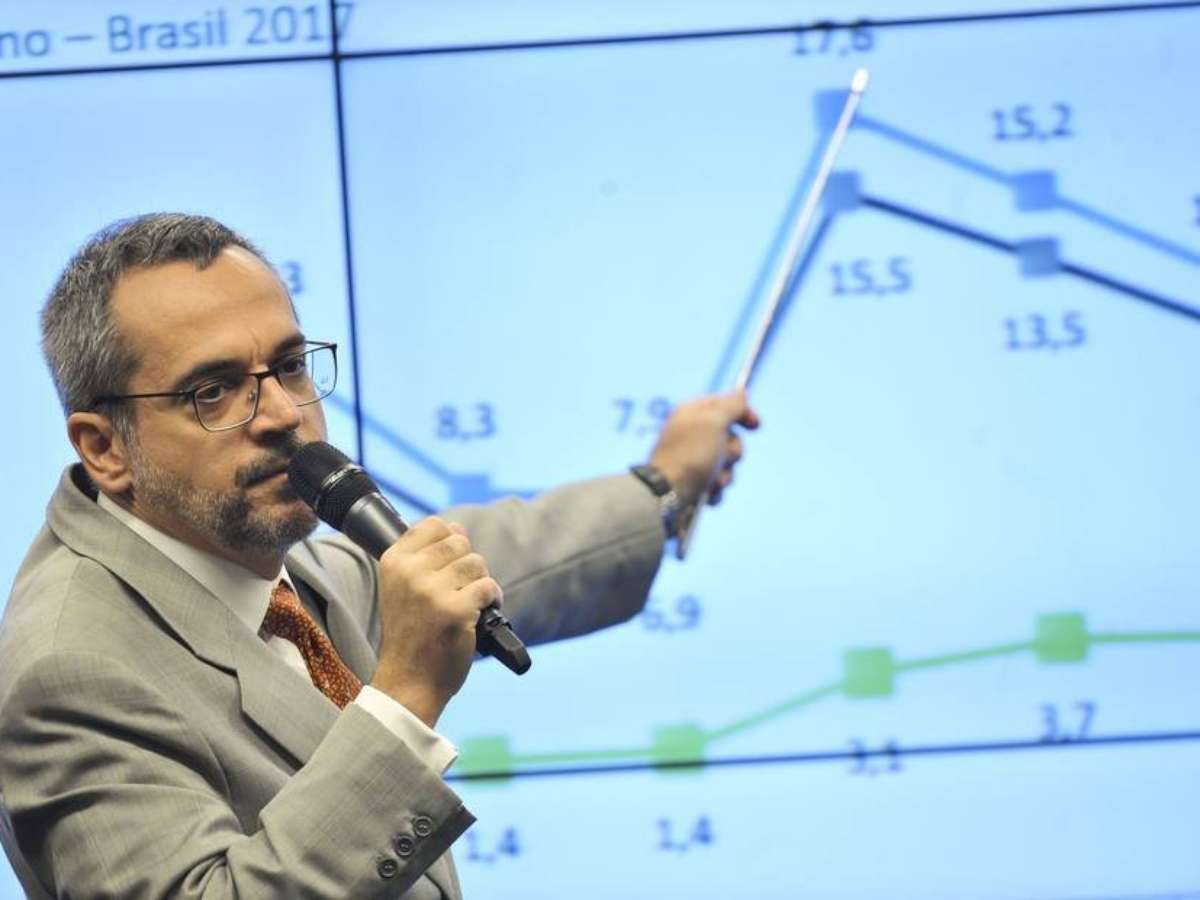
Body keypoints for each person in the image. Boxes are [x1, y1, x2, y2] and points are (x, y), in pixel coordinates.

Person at [0, 213, 758, 898]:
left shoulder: (244, 559)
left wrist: (662, 485)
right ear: (104, 448)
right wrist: (404, 699)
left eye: (289, 366)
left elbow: (493, 559)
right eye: (214, 391)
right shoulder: (68, 672)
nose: (284, 415)